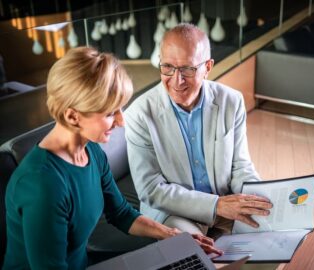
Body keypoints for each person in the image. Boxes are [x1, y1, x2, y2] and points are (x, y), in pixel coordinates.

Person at [3, 47, 221, 270]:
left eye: (120, 109)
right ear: (72, 116)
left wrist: (174, 236)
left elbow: (121, 214)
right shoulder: (42, 184)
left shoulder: (92, 152)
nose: (121, 121)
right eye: (109, 113)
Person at [125, 23, 273, 236]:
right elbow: (151, 190)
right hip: (173, 213)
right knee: (195, 257)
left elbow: (241, 166)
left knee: (271, 239)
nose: (178, 80)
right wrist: (216, 205)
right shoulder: (139, 114)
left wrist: (259, 199)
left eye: (188, 68)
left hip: (225, 202)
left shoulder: (232, 101)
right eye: (167, 67)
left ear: (208, 67)